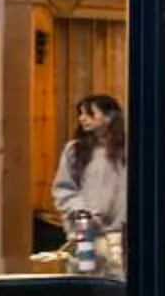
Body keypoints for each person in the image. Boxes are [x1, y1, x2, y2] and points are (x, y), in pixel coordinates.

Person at [52, 93, 128, 232]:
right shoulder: (74, 150)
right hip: (86, 231)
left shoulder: (128, 149)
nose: (82, 118)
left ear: (109, 116)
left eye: (89, 113)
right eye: (80, 114)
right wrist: (82, 213)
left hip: (124, 232)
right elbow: (64, 189)